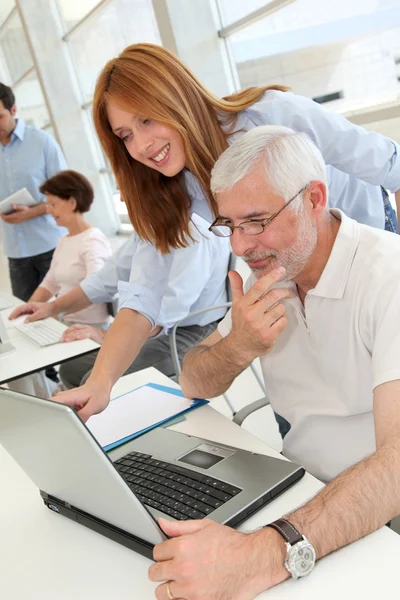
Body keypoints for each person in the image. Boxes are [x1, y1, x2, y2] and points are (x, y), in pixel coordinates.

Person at [53, 42, 400, 425]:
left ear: (176, 96)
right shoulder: (166, 190)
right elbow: (142, 299)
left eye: (147, 120)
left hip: (367, 243)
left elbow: (392, 166)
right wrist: (101, 384)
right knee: (305, 401)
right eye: (125, 135)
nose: (142, 145)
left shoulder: (273, 114)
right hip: (292, 275)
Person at [150, 125, 400, 600]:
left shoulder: (389, 277)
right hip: (300, 492)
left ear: (314, 198)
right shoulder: (270, 269)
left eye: (256, 221)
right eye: (229, 225)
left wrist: (262, 555)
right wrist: (238, 345)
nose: (240, 247)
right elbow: (194, 381)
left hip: (377, 509)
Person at [10, 214, 230, 390]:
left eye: (127, 192)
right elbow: (104, 280)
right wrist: (51, 307)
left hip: (188, 333)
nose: (123, 200)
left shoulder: (196, 234)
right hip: (150, 329)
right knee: (71, 370)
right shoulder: (150, 228)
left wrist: (106, 335)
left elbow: (168, 313)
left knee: (93, 381)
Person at [7, 169, 111, 398]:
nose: (49, 211)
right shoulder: (64, 240)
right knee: (18, 359)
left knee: (26, 364)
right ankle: (44, 404)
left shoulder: (93, 241)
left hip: (84, 330)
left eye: (53, 204)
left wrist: (54, 312)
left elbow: (95, 290)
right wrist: (28, 311)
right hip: (63, 323)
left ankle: (51, 402)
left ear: (71, 202)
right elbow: (50, 282)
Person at [0, 82, 67, 302]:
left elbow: (65, 193)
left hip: (51, 247)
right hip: (16, 253)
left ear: (13, 110)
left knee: (66, 314)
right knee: (24, 320)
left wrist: (33, 212)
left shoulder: (42, 142)